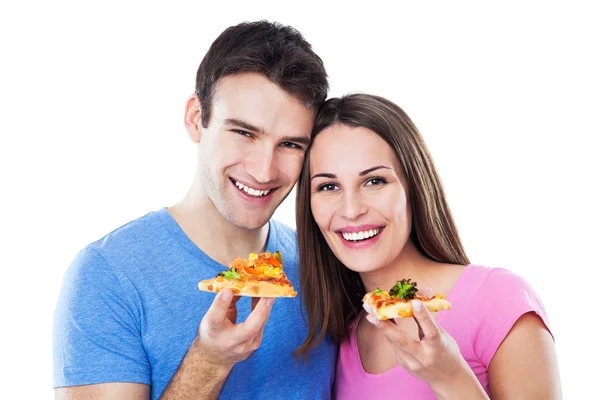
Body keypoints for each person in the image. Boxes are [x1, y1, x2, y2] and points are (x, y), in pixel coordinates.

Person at [53, 21, 337, 400]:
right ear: (195, 118)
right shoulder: (108, 275)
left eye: (289, 144)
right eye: (243, 133)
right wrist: (209, 362)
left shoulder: (323, 264)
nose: (263, 170)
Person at [295, 93, 561, 399]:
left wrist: (451, 378)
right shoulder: (341, 338)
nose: (351, 210)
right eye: (328, 186)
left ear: (413, 186)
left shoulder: (499, 300)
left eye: (375, 181)